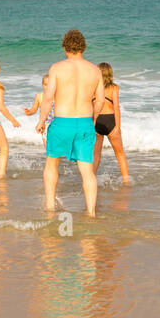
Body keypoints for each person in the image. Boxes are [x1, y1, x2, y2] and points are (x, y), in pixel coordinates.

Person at [38, 29, 105, 216]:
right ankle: (91, 212)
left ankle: (50, 206)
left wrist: (41, 120)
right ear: (83, 47)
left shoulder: (57, 68)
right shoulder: (95, 70)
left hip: (61, 122)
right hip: (84, 123)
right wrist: (93, 119)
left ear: (65, 47)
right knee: (87, 171)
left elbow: (48, 98)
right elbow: (99, 101)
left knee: (52, 163)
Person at [92, 62, 130, 183]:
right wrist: (117, 126)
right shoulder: (114, 87)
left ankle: (91, 179)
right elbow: (116, 108)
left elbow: (87, 106)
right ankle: (126, 181)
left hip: (96, 121)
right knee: (120, 154)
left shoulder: (91, 87)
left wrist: (90, 124)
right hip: (110, 121)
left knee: (96, 155)